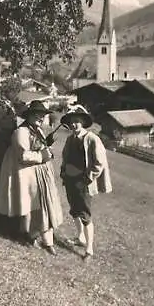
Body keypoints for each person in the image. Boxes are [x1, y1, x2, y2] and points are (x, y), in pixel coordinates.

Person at [0, 100, 63, 255]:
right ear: (30, 115)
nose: (41, 118)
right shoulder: (21, 132)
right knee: (34, 206)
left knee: (41, 206)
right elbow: (23, 155)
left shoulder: (37, 130)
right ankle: (33, 237)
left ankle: (40, 238)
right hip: (26, 173)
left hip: (38, 173)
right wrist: (43, 155)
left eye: (43, 115)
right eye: (37, 115)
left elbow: (40, 148)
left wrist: (47, 150)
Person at [60, 105, 112, 261]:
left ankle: (89, 249)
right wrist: (64, 172)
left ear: (83, 122)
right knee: (74, 210)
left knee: (85, 214)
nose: (74, 125)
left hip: (83, 182)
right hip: (70, 180)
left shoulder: (91, 139)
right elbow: (65, 157)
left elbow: (99, 162)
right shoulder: (70, 139)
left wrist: (87, 179)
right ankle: (80, 237)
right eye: (71, 122)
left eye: (77, 121)